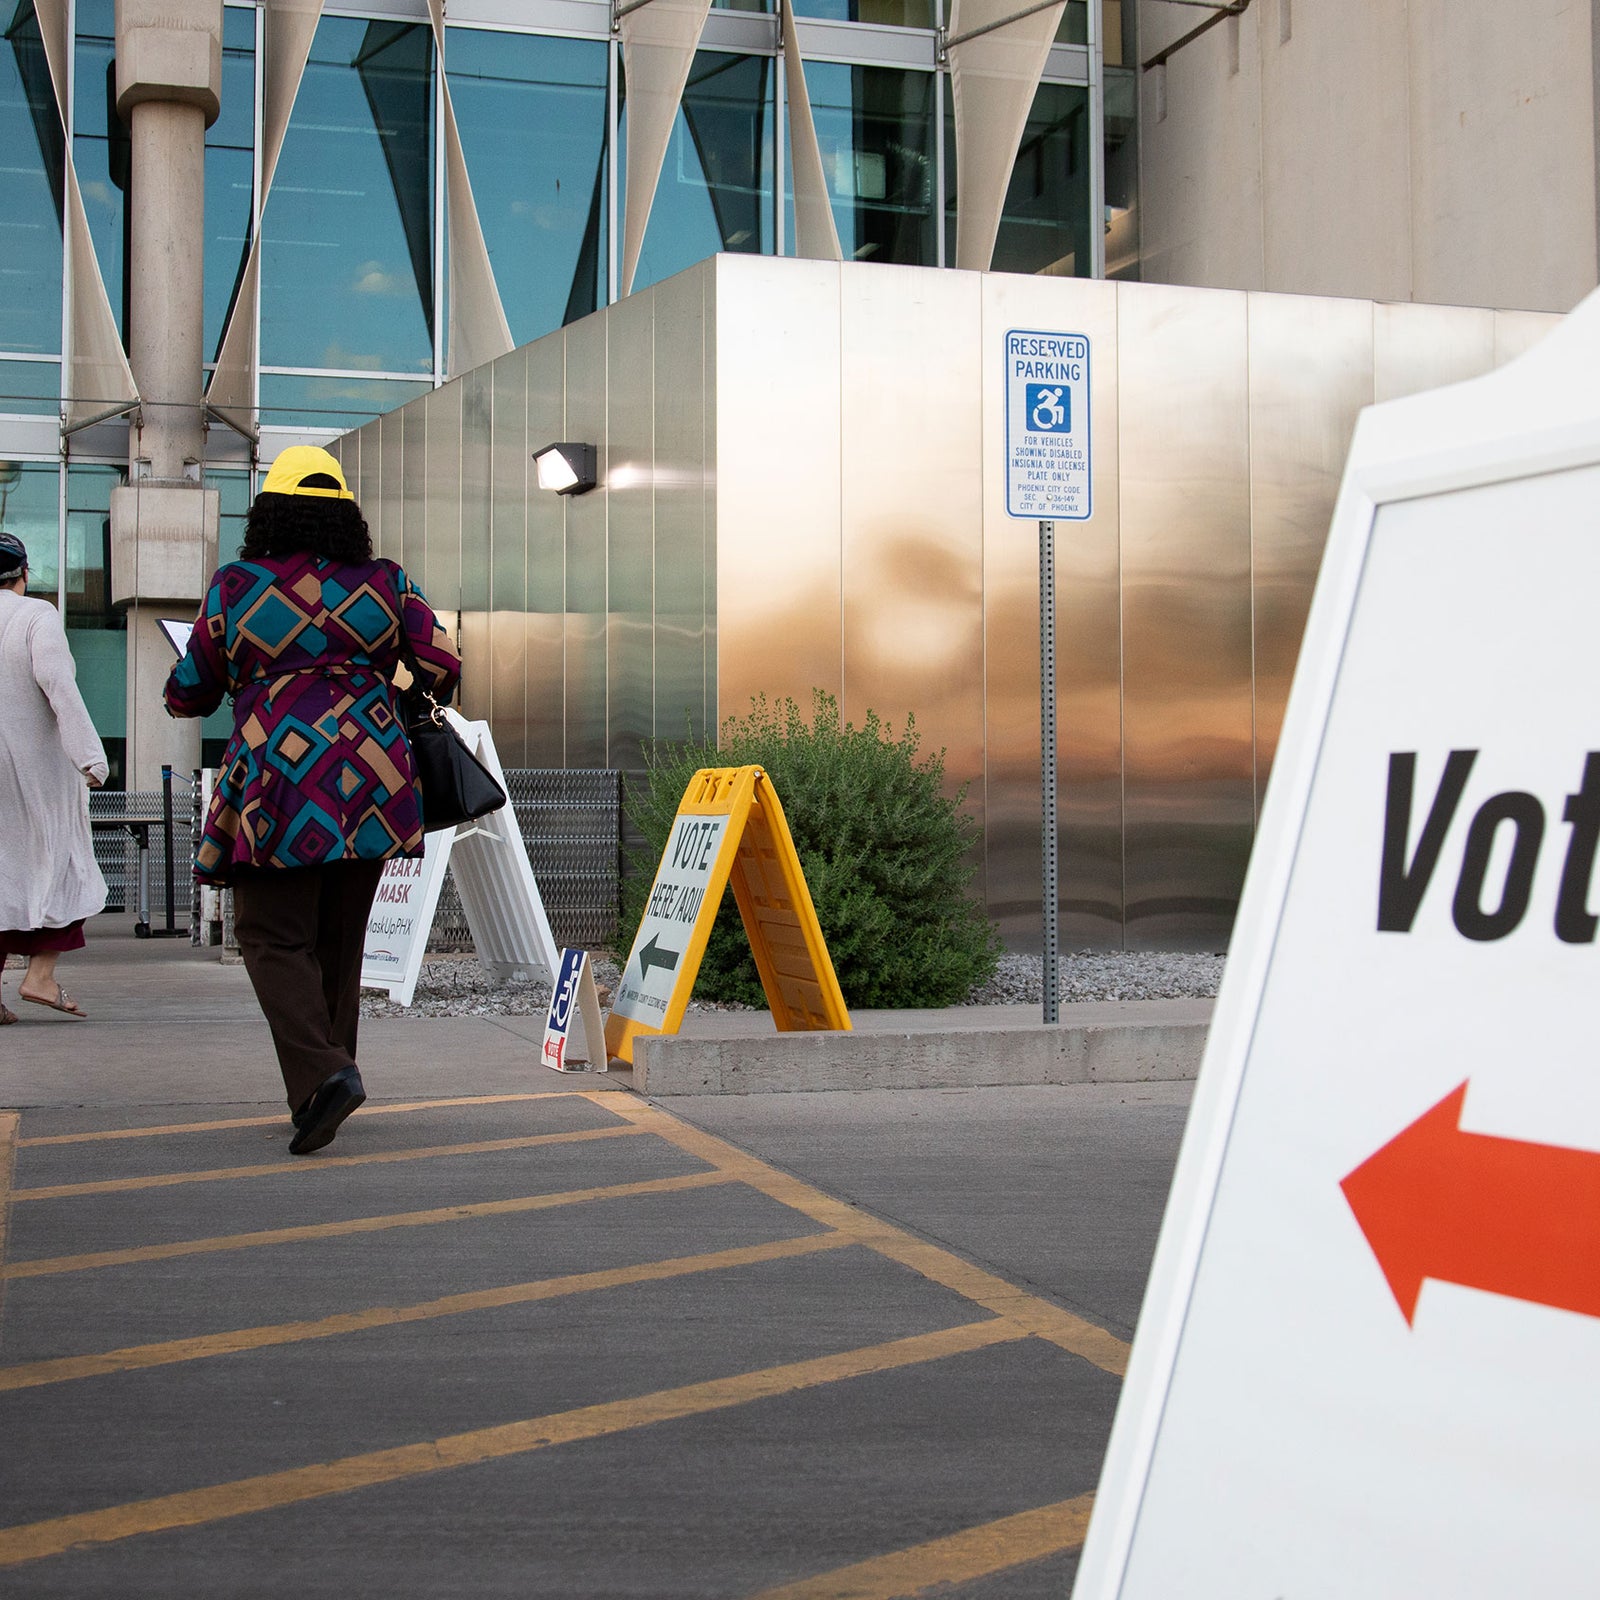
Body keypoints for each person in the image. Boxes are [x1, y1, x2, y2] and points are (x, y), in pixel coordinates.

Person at [165, 447, 459, 1153]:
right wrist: (381, 692)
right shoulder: (386, 582)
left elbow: (190, 688)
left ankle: (325, 1076)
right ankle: (322, 1088)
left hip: (280, 776)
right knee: (336, 941)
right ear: (346, 516)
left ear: (269, 511)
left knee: (270, 933)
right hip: (373, 772)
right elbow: (443, 664)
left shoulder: (237, 586)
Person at [0, 531, 109, 1023]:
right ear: (23, 575)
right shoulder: (35, 616)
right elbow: (58, 683)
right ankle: (40, 975)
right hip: (35, 774)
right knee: (69, 867)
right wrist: (91, 757)